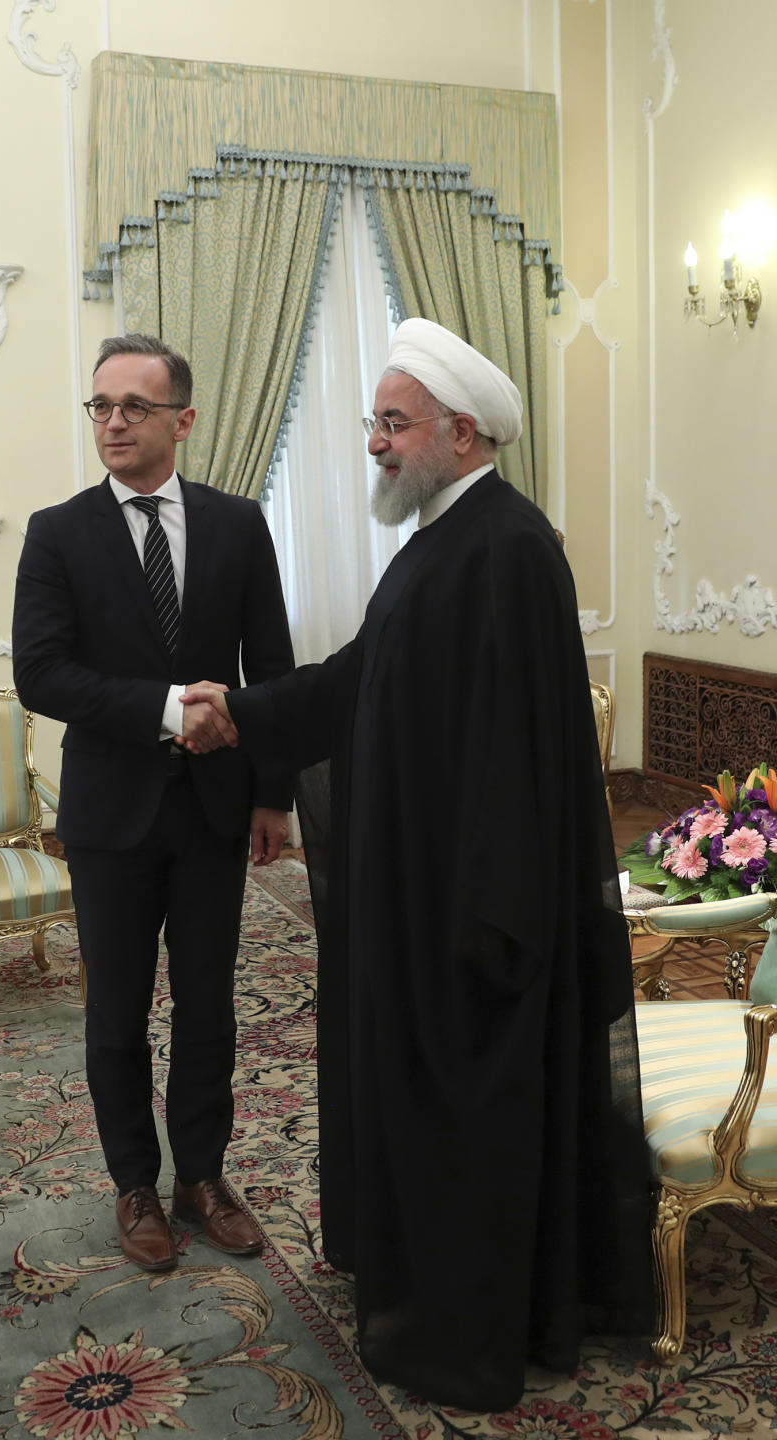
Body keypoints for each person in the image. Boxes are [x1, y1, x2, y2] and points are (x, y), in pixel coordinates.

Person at [179, 319, 654, 1411]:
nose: (377, 445)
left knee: (473, 1120)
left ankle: (473, 1326)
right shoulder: (446, 535)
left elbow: (511, 764)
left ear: (463, 430)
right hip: (427, 894)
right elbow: (357, 680)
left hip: (472, 915)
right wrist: (240, 710)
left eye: (393, 424)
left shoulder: (508, 546)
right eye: (374, 424)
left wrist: (481, 924)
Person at [12, 333, 294, 1273]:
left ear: (183, 418)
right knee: (119, 1011)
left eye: (134, 406)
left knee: (210, 1007)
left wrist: (273, 795)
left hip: (216, 812)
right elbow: (41, 674)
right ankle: (134, 1183)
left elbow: (274, 667)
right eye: (101, 406)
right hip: (110, 816)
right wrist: (170, 711)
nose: (114, 422)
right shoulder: (58, 532)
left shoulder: (238, 524)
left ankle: (202, 1177)